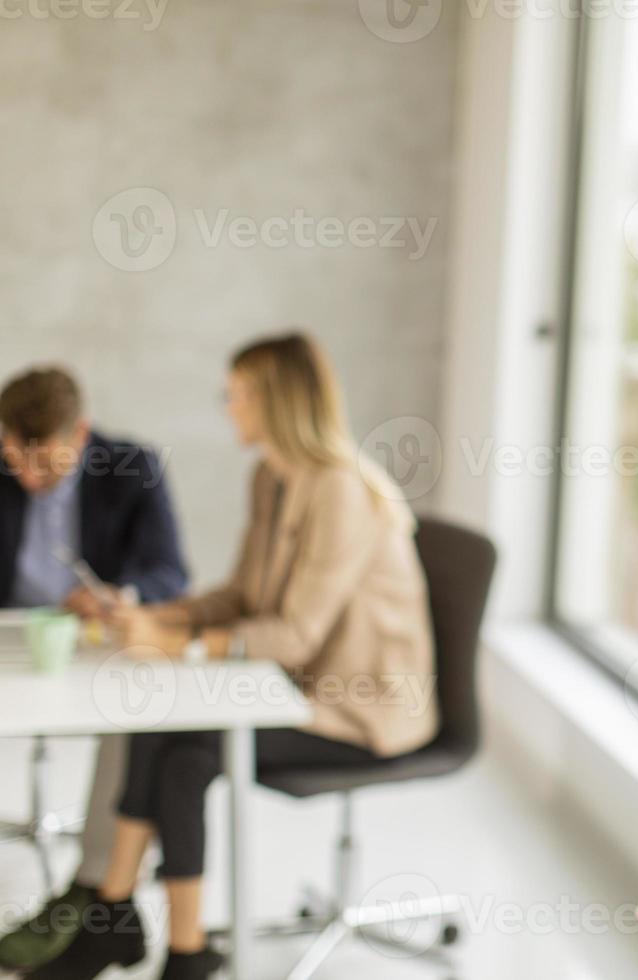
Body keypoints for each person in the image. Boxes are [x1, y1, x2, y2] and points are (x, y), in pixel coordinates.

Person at [32, 332, 439, 980]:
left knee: (186, 751)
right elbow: (243, 595)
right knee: (160, 724)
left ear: (276, 402)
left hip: (356, 709)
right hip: (290, 689)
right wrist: (152, 615)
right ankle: (127, 921)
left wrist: (180, 644)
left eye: (239, 395)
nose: (228, 407)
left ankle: (160, 941)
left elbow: (297, 634)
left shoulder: (340, 489)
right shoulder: (272, 477)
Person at [0, 367, 189, 973]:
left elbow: (169, 572)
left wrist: (125, 594)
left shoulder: (133, 467)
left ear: (79, 436)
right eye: (16, 463)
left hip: (93, 640)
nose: (29, 479)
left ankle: (94, 887)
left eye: (47, 469)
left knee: (138, 709)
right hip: (8, 634)